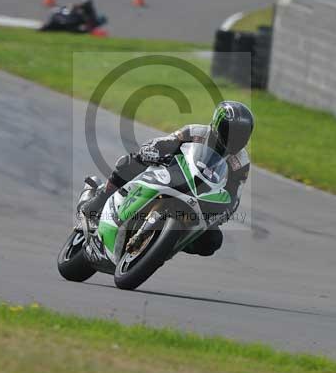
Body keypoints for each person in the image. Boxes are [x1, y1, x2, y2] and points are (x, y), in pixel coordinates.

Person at [79, 101, 254, 257]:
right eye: (230, 132)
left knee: (212, 241)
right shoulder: (197, 132)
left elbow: (234, 195)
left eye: (241, 135)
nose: (235, 139)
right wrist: (151, 151)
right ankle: (99, 200)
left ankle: (167, 242)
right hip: (172, 174)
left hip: (200, 197)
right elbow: (165, 142)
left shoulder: (241, 161)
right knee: (129, 162)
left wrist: (224, 211)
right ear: (217, 124)